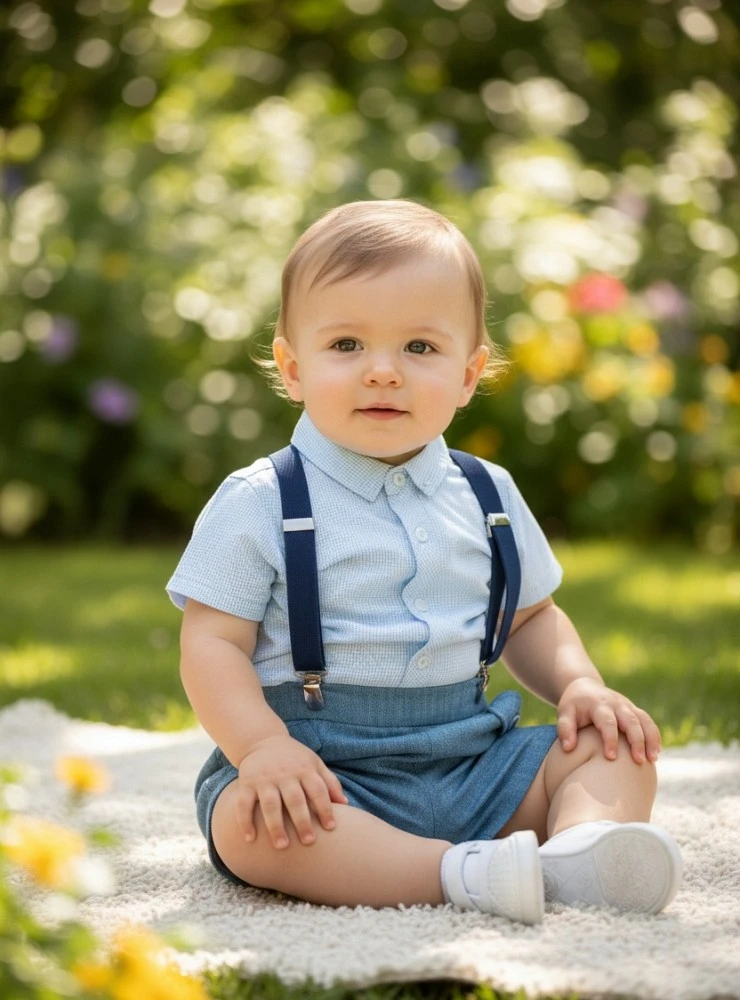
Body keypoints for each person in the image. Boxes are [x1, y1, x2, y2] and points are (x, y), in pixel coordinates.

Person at [166, 199, 683, 924]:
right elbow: (212, 642)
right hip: (325, 772)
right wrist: (260, 749)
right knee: (255, 828)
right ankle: (458, 874)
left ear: (469, 376)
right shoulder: (260, 500)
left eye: (419, 348)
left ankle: (581, 851)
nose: (383, 372)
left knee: (615, 746)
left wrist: (580, 685)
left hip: (473, 762)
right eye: (346, 345)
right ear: (292, 367)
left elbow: (531, 615)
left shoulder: (486, 493)